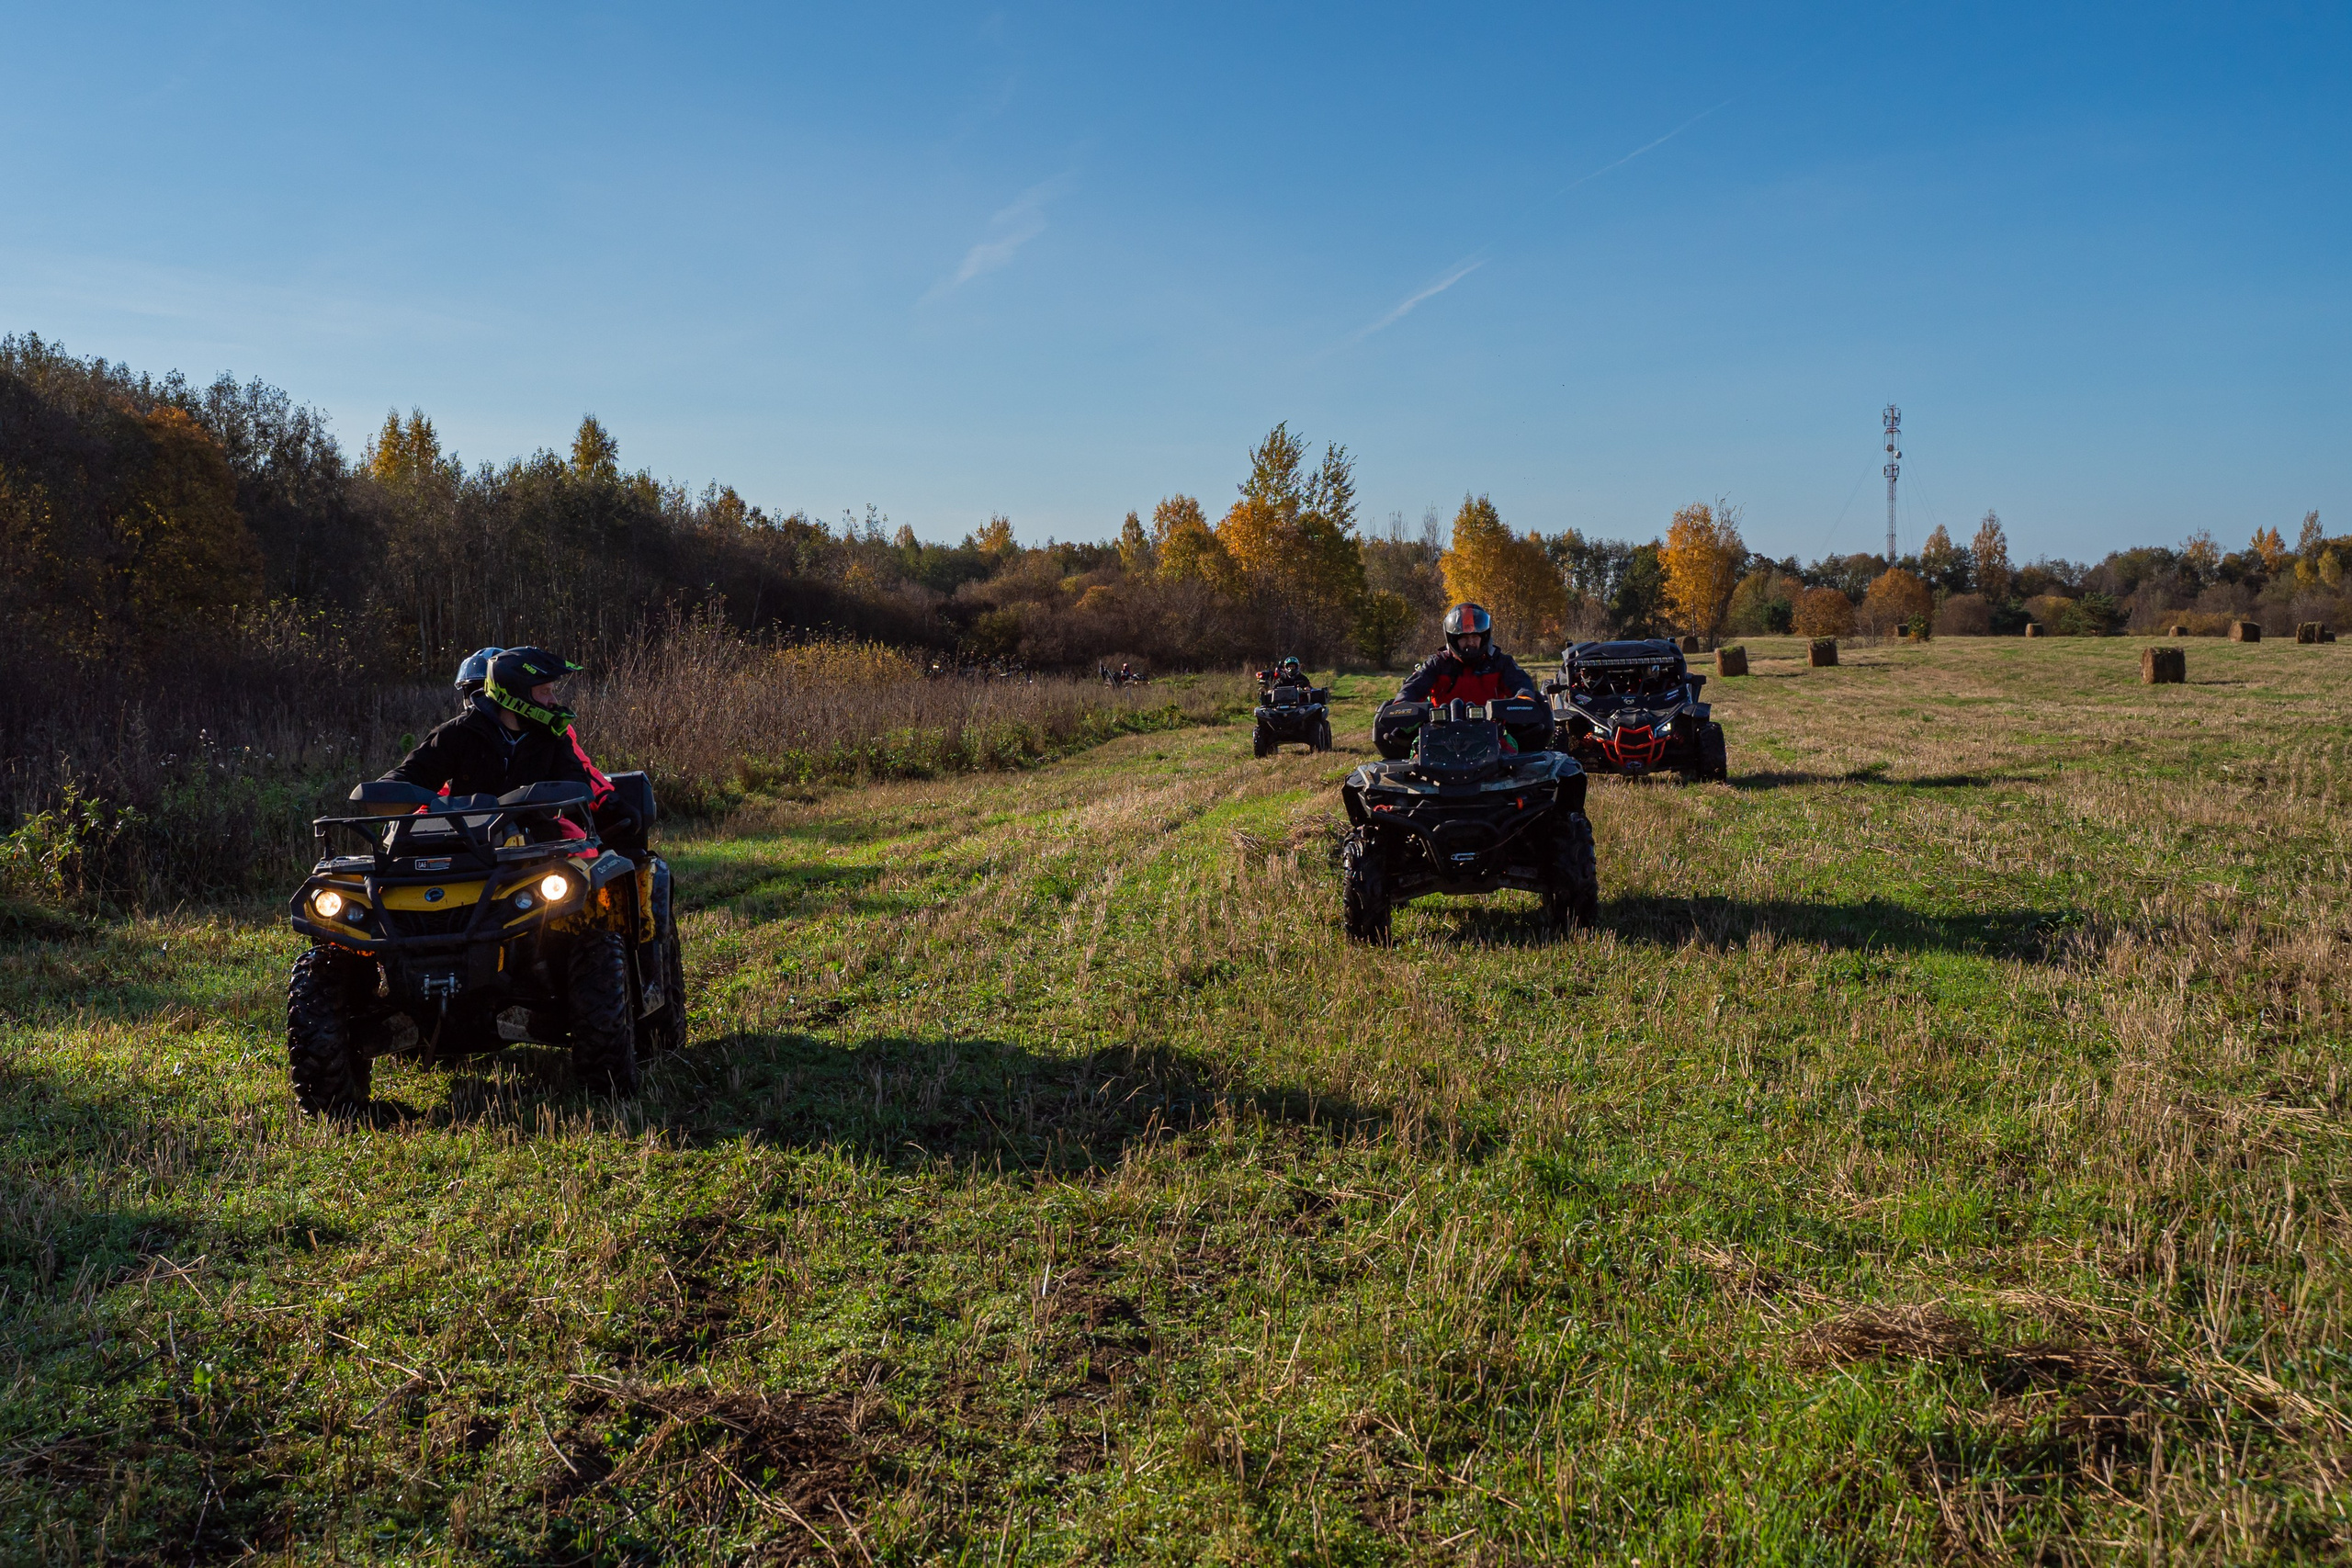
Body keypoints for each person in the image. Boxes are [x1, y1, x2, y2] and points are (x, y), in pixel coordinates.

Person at [385, 646, 637, 839]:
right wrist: (387, 788)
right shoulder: (456, 733)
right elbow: (415, 773)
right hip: (466, 837)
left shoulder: (552, 736)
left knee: (583, 849)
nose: (553, 700)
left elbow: (577, 779)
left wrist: (593, 798)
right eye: (545, 692)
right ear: (516, 694)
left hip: (534, 835)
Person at [1396, 604, 1541, 706]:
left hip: (1493, 736)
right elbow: (1414, 687)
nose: (1470, 642)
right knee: (1392, 731)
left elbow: (1520, 683)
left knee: (1537, 717)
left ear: (1483, 637)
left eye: (1475, 637)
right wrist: (1402, 703)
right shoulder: (1437, 663)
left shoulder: (1499, 662)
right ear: (1453, 639)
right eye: (1464, 638)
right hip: (1440, 737)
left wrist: (1524, 698)